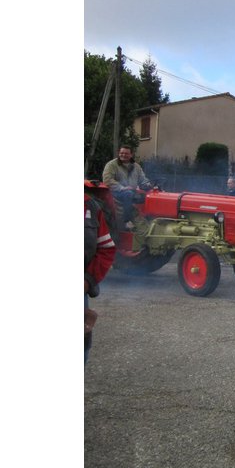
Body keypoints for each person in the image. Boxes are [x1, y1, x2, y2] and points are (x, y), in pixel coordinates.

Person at [85, 188, 116, 364]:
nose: (125, 156)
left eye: (128, 155)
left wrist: (87, 281)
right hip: (119, 192)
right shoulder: (111, 168)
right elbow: (111, 182)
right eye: (122, 155)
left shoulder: (89, 207)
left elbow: (105, 249)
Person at [102, 145, 152, 226]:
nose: (123, 155)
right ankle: (127, 222)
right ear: (119, 153)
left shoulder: (136, 166)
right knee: (128, 194)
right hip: (115, 192)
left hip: (132, 192)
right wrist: (122, 188)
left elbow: (142, 179)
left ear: (131, 154)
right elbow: (107, 180)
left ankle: (147, 221)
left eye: (126, 153)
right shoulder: (111, 165)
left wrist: (148, 185)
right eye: (121, 153)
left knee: (147, 197)